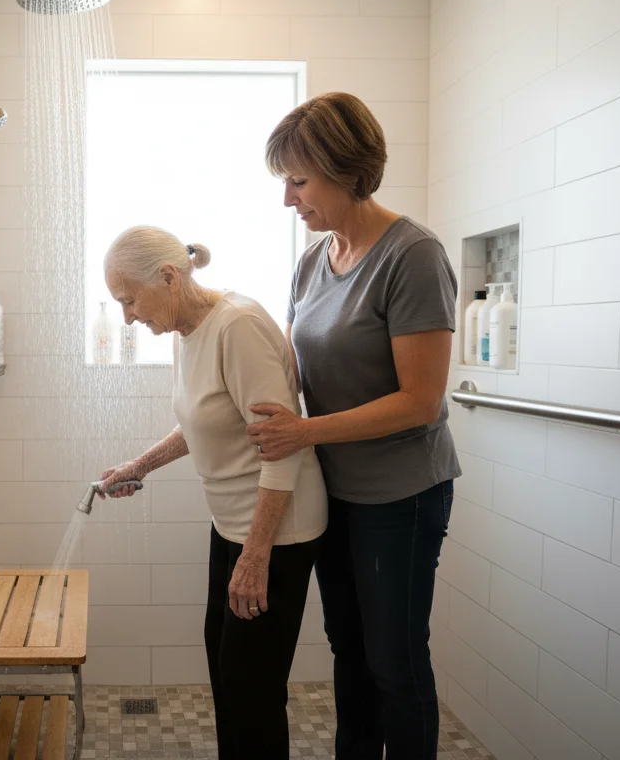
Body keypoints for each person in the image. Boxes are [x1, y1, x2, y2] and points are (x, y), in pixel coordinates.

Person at [245, 92, 462, 760]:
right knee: (348, 649)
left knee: (394, 662)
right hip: (333, 490)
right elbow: (285, 371)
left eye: (299, 181)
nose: (289, 199)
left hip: (400, 494)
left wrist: (305, 434)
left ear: (347, 170)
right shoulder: (314, 261)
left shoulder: (412, 255)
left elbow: (420, 401)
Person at [95, 226, 327, 759]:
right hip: (232, 525)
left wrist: (257, 553)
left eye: (130, 300)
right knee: (227, 674)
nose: (128, 316)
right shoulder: (186, 331)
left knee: (251, 688)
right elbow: (201, 425)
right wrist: (140, 466)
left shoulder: (237, 326)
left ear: (170, 277)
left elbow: (282, 444)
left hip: (276, 532)